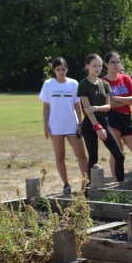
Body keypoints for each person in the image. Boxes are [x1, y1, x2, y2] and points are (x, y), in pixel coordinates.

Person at [40, 57, 88, 195]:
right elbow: (46, 106)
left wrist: (80, 123)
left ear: (67, 69)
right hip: (55, 126)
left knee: (81, 155)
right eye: (58, 69)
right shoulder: (48, 84)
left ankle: (86, 183)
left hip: (72, 125)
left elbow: (77, 104)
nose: (61, 72)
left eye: (63, 69)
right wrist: (45, 125)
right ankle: (66, 184)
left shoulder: (73, 83)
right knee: (60, 156)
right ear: (54, 70)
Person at [102, 51, 132, 181]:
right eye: (112, 62)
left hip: (127, 119)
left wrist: (115, 98)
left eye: (118, 62)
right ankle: (117, 183)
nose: (116, 65)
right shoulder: (103, 82)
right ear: (106, 64)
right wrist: (123, 100)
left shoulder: (126, 78)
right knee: (117, 153)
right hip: (111, 118)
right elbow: (107, 104)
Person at [77, 53, 125, 182]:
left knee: (119, 156)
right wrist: (97, 127)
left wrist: (95, 107)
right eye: (94, 66)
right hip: (90, 124)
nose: (97, 69)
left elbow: (108, 107)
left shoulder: (105, 84)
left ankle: (120, 187)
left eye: (99, 66)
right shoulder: (83, 84)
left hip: (104, 121)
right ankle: (88, 188)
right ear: (87, 66)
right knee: (93, 158)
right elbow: (87, 110)